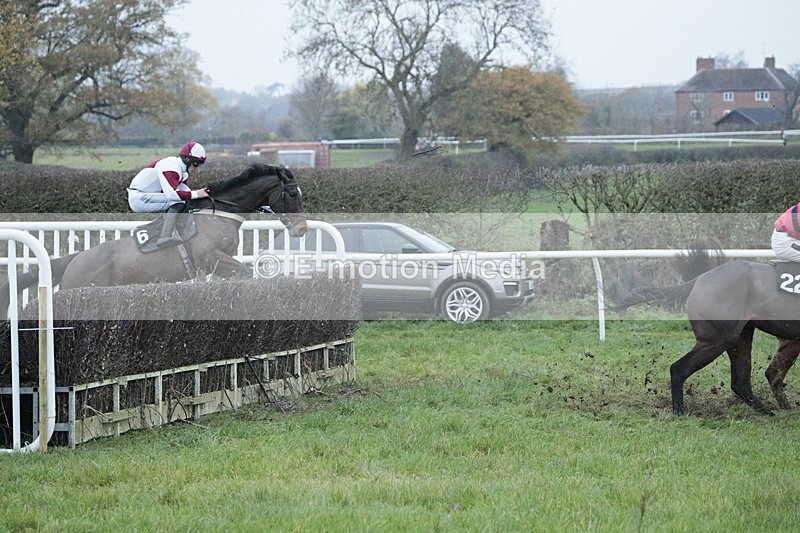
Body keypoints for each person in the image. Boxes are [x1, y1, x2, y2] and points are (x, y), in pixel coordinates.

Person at [127, 142, 210, 246]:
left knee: (185, 201)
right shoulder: (172, 167)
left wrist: (204, 194)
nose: (196, 167)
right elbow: (172, 195)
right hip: (139, 199)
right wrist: (197, 194)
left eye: (200, 164)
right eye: (196, 163)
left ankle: (173, 231)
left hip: (144, 196)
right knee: (178, 201)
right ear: (188, 159)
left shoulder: (182, 171)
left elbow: (187, 193)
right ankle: (164, 236)